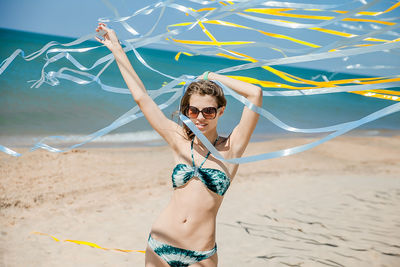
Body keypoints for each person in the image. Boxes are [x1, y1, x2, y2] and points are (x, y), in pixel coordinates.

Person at [95, 23, 262, 267]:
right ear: (187, 111)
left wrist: (210, 76)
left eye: (209, 111)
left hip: (201, 254)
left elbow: (255, 94)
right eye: (193, 110)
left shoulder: (232, 148)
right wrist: (116, 49)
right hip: (160, 245)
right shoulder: (178, 139)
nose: (200, 117)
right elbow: (141, 98)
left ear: (221, 111)